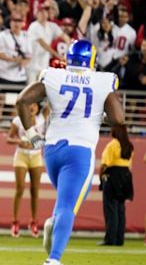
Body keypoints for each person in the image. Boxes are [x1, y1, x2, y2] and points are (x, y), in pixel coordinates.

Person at [16, 39, 131, 265]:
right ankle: (54, 259)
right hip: (80, 150)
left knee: (64, 202)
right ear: (92, 59)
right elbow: (119, 119)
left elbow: (22, 100)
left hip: (52, 149)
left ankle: (53, 223)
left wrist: (32, 134)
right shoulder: (102, 79)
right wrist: (101, 115)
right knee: (69, 206)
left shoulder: (53, 74)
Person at [7, 102, 47, 238]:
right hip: (21, 155)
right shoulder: (18, 120)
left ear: (38, 107)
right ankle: (15, 221)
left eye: (34, 105)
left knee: (35, 190)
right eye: (30, 105)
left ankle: (34, 221)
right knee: (20, 189)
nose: (32, 107)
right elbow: (8, 138)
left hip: (36, 156)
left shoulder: (42, 119)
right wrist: (19, 142)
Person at [99, 125, 134, 246]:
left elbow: (104, 164)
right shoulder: (129, 146)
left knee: (110, 209)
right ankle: (119, 239)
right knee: (120, 209)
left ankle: (110, 239)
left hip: (113, 176)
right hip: (126, 177)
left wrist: (101, 178)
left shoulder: (112, 145)